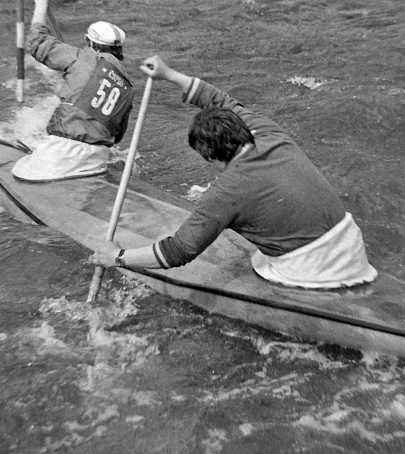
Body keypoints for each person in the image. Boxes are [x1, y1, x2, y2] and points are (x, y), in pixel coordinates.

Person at [88, 56, 377, 289]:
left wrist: (119, 257)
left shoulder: (226, 192)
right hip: (351, 242)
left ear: (210, 156)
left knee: (255, 259)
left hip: (314, 268)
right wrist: (170, 74)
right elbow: (222, 101)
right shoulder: (268, 132)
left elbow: (178, 251)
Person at [12, 0, 135, 181]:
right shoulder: (128, 86)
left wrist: (41, 2)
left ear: (91, 44)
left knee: (21, 172)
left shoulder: (82, 58)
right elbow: (118, 135)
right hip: (97, 160)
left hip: (62, 155)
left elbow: (36, 42)